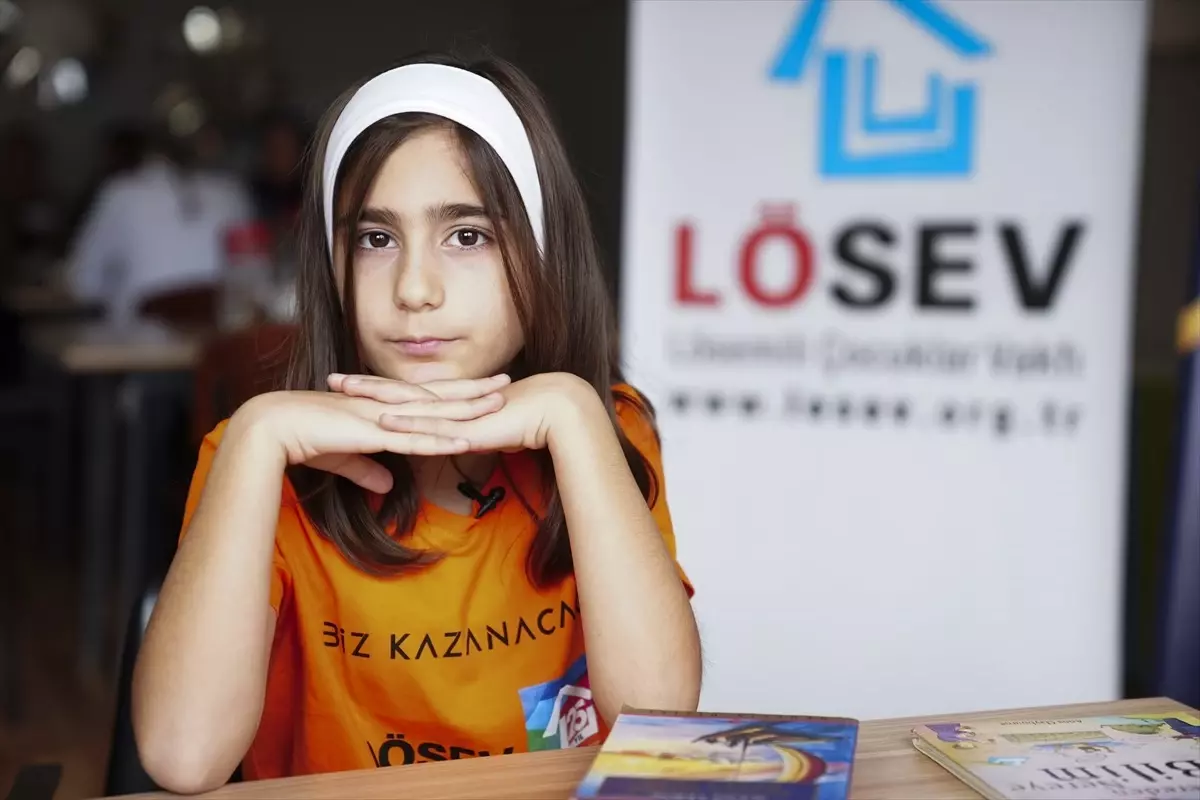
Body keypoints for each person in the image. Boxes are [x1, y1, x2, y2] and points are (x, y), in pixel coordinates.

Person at [131, 53, 702, 793]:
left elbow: (657, 724)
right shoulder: (259, 459)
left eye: (467, 235)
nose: (414, 289)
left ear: (543, 254)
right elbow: (183, 756)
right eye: (376, 238)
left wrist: (573, 415)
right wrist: (256, 436)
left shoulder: (603, 429)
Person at [62, 125, 253, 325]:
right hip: (220, 336)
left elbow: (81, 284)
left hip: (139, 338)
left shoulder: (119, 193)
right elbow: (252, 276)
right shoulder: (231, 191)